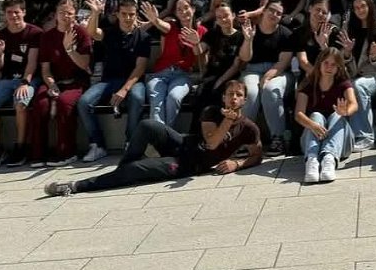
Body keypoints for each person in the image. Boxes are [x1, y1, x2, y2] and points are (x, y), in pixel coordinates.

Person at [44, 80, 262, 196]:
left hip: (189, 163)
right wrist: (226, 120)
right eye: (230, 94)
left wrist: (237, 164)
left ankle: (76, 186)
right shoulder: (212, 112)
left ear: (245, 100)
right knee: (148, 125)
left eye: (238, 95)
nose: (234, 98)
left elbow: (256, 155)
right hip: (183, 142)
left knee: (135, 169)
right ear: (223, 97)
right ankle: (122, 172)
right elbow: (211, 139)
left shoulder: (248, 128)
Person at [78, 0, 150, 162]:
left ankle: (131, 143)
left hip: (133, 82)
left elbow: (140, 68)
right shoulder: (110, 32)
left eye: (131, 14)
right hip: (109, 81)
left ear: (136, 15)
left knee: (137, 97)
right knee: (84, 102)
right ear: (117, 14)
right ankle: (98, 145)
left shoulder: (143, 37)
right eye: (124, 14)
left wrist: (124, 90)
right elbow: (92, 33)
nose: (128, 18)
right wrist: (95, 13)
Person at [30, 0, 92, 167]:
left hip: (76, 81)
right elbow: (45, 69)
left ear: (75, 14)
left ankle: (67, 152)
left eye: (70, 13)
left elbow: (84, 64)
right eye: (62, 12)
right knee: (40, 104)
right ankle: (38, 153)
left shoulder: (81, 34)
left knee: (64, 104)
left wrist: (69, 49)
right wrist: (51, 84)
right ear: (56, 14)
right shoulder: (47, 37)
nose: (66, 16)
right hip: (54, 80)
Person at [0, 0, 43, 169]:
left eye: (17, 12)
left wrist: (25, 82)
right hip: (7, 79)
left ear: (24, 12)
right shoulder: (0, 35)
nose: (13, 16)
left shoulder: (35, 33)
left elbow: (32, 62)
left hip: (29, 78)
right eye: (9, 12)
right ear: (4, 15)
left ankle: (21, 146)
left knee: (21, 103)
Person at [237, 0, 296, 157]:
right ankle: (245, 138)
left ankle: (278, 138)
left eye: (279, 13)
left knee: (270, 90)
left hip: (279, 72)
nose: (274, 14)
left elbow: (283, 62)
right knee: (250, 93)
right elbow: (245, 58)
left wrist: (267, 77)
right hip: (252, 70)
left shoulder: (286, 34)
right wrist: (248, 40)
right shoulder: (251, 30)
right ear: (263, 11)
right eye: (272, 10)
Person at [294, 48, 358, 183]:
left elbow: (354, 104)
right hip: (313, 139)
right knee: (316, 115)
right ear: (319, 64)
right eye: (326, 63)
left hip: (340, 142)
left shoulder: (343, 83)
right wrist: (312, 125)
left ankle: (329, 159)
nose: (329, 67)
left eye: (333, 64)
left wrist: (345, 112)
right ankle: (312, 160)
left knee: (336, 116)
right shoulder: (309, 83)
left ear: (339, 67)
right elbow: (298, 114)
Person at [141, 0, 207, 128]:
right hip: (160, 74)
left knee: (174, 97)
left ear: (193, 9)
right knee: (157, 102)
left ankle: (167, 133)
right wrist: (155, 20)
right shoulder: (171, 26)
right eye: (179, 10)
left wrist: (196, 44)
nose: (183, 12)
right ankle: (160, 135)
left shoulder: (202, 31)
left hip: (182, 75)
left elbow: (201, 62)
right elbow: (161, 24)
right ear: (176, 13)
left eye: (186, 8)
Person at [342, 0, 376, 150]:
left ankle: (365, 137)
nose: (360, 10)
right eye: (356, 8)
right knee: (348, 85)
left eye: (363, 6)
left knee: (358, 86)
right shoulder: (347, 28)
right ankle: (373, 130)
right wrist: (347, 52)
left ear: (370, 7)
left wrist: (374, 56)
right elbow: (342, 57)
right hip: (352, 75)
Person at [188, 3, 244, 134]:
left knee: (219, 94)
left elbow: (236, 65)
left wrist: (220, 81)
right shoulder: (212, 34)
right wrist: (195, 43)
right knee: (200, 95)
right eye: (219, 17)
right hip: (211, 74)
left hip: (230, 76)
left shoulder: (240, 36)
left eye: (226, 15)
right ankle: (195, 134)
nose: (223, 19)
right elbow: (198, 51)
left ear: (233, 15)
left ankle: (219, 133)